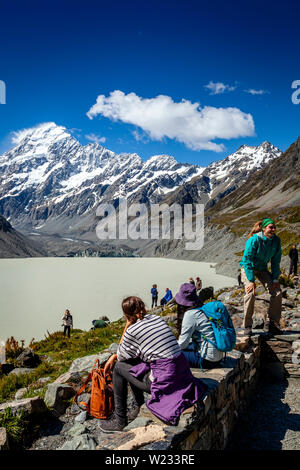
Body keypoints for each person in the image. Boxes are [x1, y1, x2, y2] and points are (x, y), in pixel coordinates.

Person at [99, 296, 207, 433]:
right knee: (132, 362)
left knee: (120, 367)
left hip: (166, 382)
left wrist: (127, 326)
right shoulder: (156, 318)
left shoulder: (132, 331)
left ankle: (120, 420)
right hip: (182, 374)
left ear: (126, 314)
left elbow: (121, 356)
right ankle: (138, 406)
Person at [240, 218, 282, 337]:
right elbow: (247, 260)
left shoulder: (276, 241)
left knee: (277, 292)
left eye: (274, 227)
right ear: (263, 228)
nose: (273, 229)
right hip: (249, 267)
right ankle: (247, 325)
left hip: (262, 268)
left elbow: (275, 261)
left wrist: (275, 279)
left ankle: (272, 324)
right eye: (270, 227)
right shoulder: (254, 240)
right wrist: (251, 281)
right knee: (250, 293)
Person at [175, 283, 224, 369]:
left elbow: (182, 344)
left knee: (172, 354)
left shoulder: (190, 315)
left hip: (207, 360)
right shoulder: (203, 309)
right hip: (218, 356)